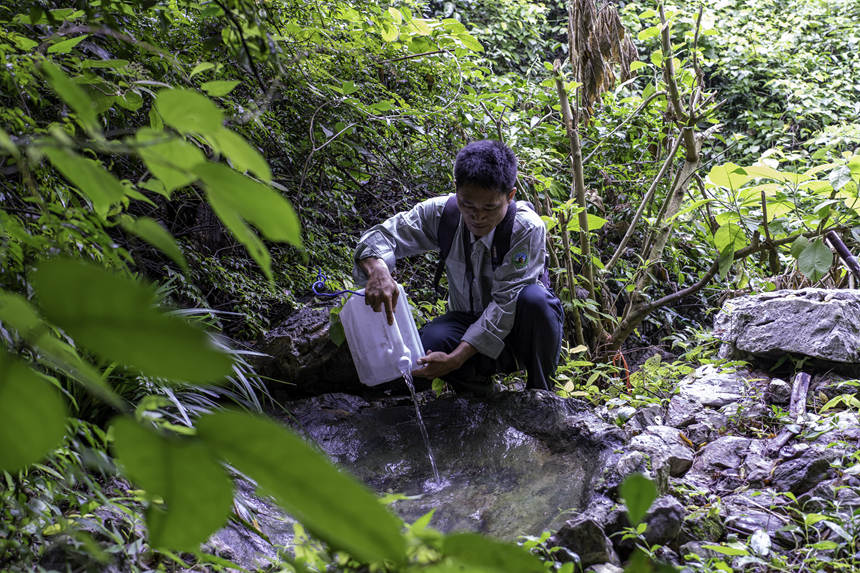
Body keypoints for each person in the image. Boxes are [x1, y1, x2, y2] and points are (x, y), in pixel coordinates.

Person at [353, 139, 564, 392]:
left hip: (518, 331)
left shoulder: (526, 228)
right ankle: (476, 390)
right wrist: (377, 269)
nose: (477, 216)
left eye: (489, 207)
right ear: (457, 190)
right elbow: (381, 236)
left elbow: (506, 304)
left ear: (510, 196)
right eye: (468, 204)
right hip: (465, 320)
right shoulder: (444, 214)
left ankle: (541, 395)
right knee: (426, 347)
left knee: (536, 300)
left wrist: (456, 358)